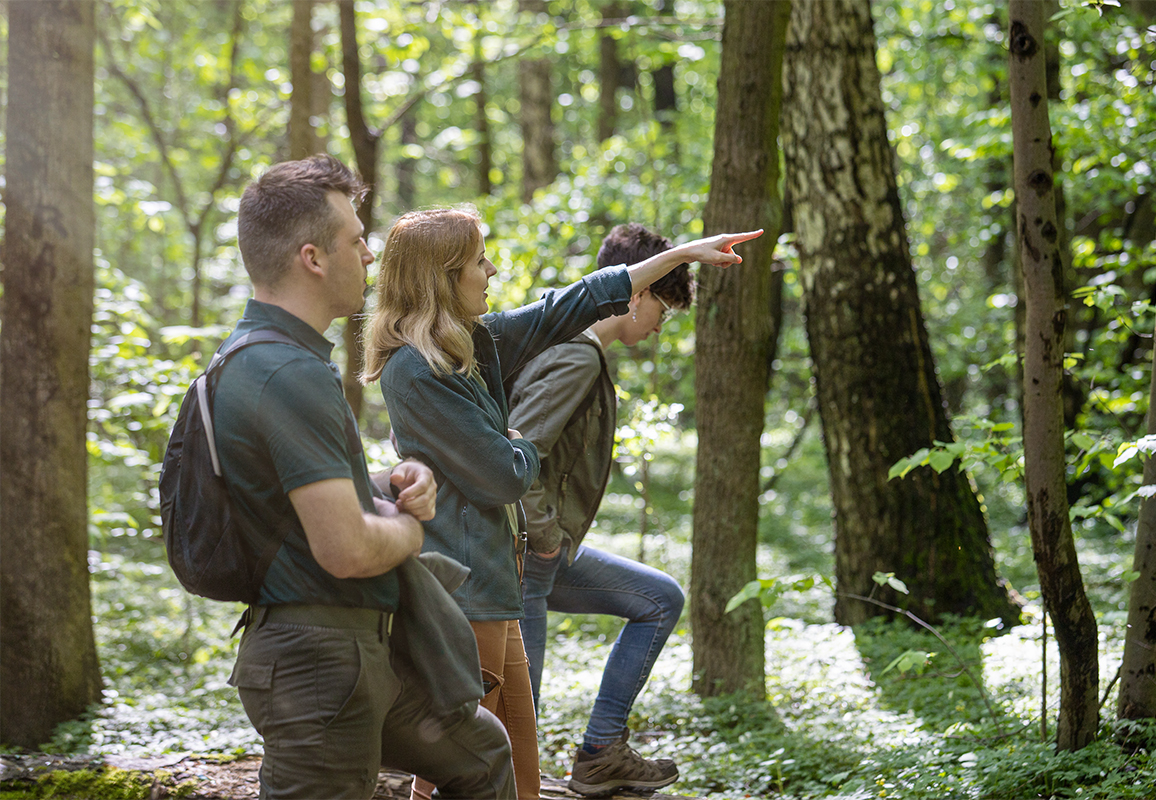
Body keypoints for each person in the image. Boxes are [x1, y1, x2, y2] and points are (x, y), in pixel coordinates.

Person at [361, 208, 761, 800]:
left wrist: (678, 256)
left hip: (498, 579)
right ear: (443, 277)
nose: (491, 270)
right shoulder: (416, 372)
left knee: (518, 768)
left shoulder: (472, 343)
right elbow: (501, 477)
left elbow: (568, 305)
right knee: (457, 772)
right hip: (471, 589)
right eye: (478, 261)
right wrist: (519, 450)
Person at [216, 155, 515, 800]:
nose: (371, 258)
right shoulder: (284, 372)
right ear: (312, 258)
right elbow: (347, 548)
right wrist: (412, 528)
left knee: (483, 752)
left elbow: (289, 493)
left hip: (348, 648)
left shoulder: (272, 360)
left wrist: (383, 482)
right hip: (317, 661)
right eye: (356, 240)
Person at [507, 223, 693, 797]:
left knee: (660, 598)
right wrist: (542, 536)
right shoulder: (576, 356)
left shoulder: (557, 334)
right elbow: (517, 450)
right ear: (636, 293)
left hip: (542, 553)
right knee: (518, 722)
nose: (664, 322)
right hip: (521, 556)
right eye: (664, 304)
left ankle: (602, 753)